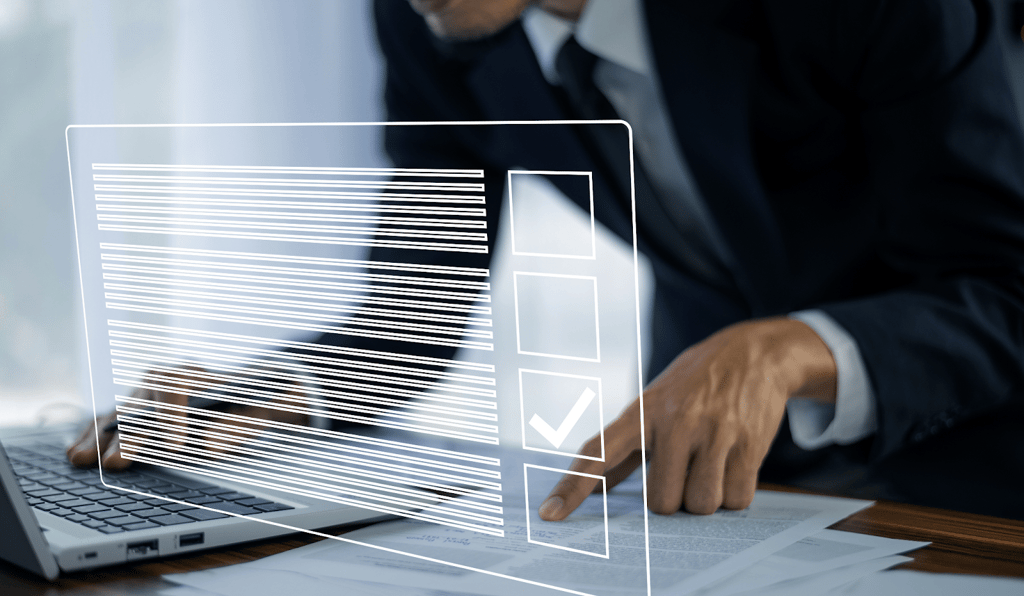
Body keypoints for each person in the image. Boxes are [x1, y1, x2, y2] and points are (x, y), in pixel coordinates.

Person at [69, 0, 1024, 521]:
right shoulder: (428, 21)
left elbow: (1003, 286)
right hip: (729, 481)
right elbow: (415, 305)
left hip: (983, 470)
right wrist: (276, 391)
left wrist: (786, 350)